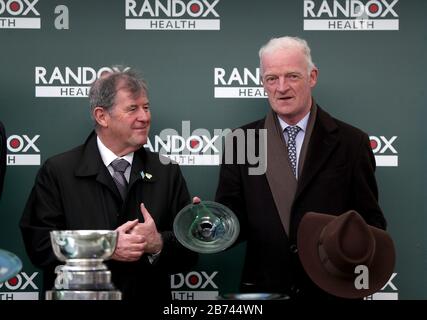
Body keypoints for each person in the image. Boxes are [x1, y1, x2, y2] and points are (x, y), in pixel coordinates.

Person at [215, 36, 387, 299]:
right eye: (272, 78)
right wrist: (209, 224)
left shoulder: (352, 143)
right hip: (265, 289)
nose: (281, 87)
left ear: (312, 77)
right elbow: (231, 222)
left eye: (292, 76)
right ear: (263, 83)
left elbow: (371, 222)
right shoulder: (241, 141)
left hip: (332, 291)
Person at [20, 69, 198, 300]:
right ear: (102, 116)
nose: (144, 117)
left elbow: (190, 254)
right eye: (132, 109)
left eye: (146, 107)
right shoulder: (58, 171)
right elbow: (40, 246)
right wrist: (106, 246)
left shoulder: (167, 171)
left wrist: (158, 243)